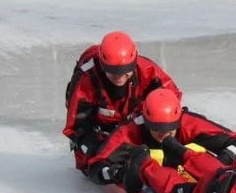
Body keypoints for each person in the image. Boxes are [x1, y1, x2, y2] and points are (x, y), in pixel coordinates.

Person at [63, 30, 182, 171]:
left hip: (136, 123)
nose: (119, 76)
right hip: (101, 132)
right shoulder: (86, 81)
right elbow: (78, 128)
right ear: (102, 65)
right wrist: (99, 157)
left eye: (125, 70)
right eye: (113, 70)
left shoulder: (148, 71)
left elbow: (171, 101)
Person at [84, 87, 236, 187]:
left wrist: (221, 161)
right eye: (156, 128)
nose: (163, 134)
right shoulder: (130, 131)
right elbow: (96, 165)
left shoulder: (190, 123)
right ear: (146, 122)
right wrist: (116, 173)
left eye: (169, 129)